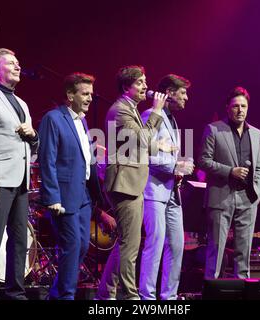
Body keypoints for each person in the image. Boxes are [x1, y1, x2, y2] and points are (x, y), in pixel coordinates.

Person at [96, 65, 172, 300]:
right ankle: (130, 297)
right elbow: (143, 141)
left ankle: (105, 293)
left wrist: (158, 145)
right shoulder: (120, 110)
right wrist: (157, 112)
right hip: (124, 183)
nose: (146, 87)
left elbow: (141, 143)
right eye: (140, 83)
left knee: (126, 243)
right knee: (130, 245)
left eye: (145, 82)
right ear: (126, 87)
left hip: (132, 183)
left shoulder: (131, 109)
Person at [38, 72, 113, 300]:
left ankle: (57, 294)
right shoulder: (53, 118)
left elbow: (84, 159)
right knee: (72, 246)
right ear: (70, 95)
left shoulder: (82, 120)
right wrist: (52, 197)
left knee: (81, 246)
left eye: (91, 93)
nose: (90, 98)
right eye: (85, 93)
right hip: (63, 195)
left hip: (82, 196)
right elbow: (47, 159)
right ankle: (66, 296)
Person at [0, 48, 38, 300]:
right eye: (11, 63)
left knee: (19, 240)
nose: (18, 66)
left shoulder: (21, 103)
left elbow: (31, 145)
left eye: (18, 62)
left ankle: (16, 293)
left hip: (20, 180)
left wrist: (34, 136)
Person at [198, 87, 260, 280]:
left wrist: (257, 191)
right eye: (236, 106)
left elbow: (259, 167)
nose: (240, 110)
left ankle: (243, 291)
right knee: (216, 249)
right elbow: (203, 161)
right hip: (221, 195)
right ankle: (212, 290)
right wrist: (230, 171)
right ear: (228, 108)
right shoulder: (214, 129)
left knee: (244, 249)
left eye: (244, 106)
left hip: (247, 197)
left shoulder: (256, 133)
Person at [139, 74, 193, 300]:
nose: (186, 98)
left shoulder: (172, 119)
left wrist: (180, 167)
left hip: (171, 192)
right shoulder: (152, 115)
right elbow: (146, 155)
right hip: (153, 191)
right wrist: (176, 167)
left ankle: (169, 297)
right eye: (182, 93)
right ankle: (147, 297)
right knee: (155, 246)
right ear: (169, 93)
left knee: (176, 246)